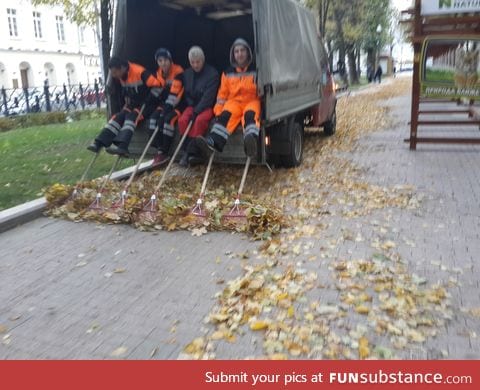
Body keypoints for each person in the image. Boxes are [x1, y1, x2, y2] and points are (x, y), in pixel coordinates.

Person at [195, 38, 261, 159]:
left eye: (242, 51)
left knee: (250, 116)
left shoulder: (257, 70)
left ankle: (251, 143)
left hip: (251, 101)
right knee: (224, 116)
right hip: (234, 102)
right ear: (233, 54)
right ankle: (212, 143)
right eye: (236, 51)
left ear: (248, 53)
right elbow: (222, 95)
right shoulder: (227, 72)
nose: (240, 54)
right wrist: (218, 112)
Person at [87, 56, 162, 156]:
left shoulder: (140, 72)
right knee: (118, 117)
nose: (113, 76)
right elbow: (128, 92)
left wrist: (148, 100)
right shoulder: (122, 76)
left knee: (131, 117)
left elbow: (158, 87)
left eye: (114, 72)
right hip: (134, 104)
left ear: (122, 68)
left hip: (148, 105)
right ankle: (99, 143)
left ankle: (123, 146)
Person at [177, 46, 219, 167]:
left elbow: (208, 97)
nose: (195, 65)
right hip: (192, 105)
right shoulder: (187, 74)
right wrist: (191, 108)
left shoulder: (212, 74)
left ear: (203, 60)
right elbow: (187, 93)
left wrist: (196, 111)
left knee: (199, 121)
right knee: (183, 120)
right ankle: (186, 150)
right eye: (192, 62)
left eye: (198, 62)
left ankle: (191, 153)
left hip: (207, 106)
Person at [146, 48, 184, 167]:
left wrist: (165, 111)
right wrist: (147, 102)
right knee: (153, 119)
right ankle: (158, 149)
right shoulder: (159, 73)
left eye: (165, 60)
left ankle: (165, 151)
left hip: (179, 103)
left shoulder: (178, 71)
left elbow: (175, 92)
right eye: (160, 61)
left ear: (170, 60)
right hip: (165, 104)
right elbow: (157, 91)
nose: (163, 63)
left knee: (167, 120)